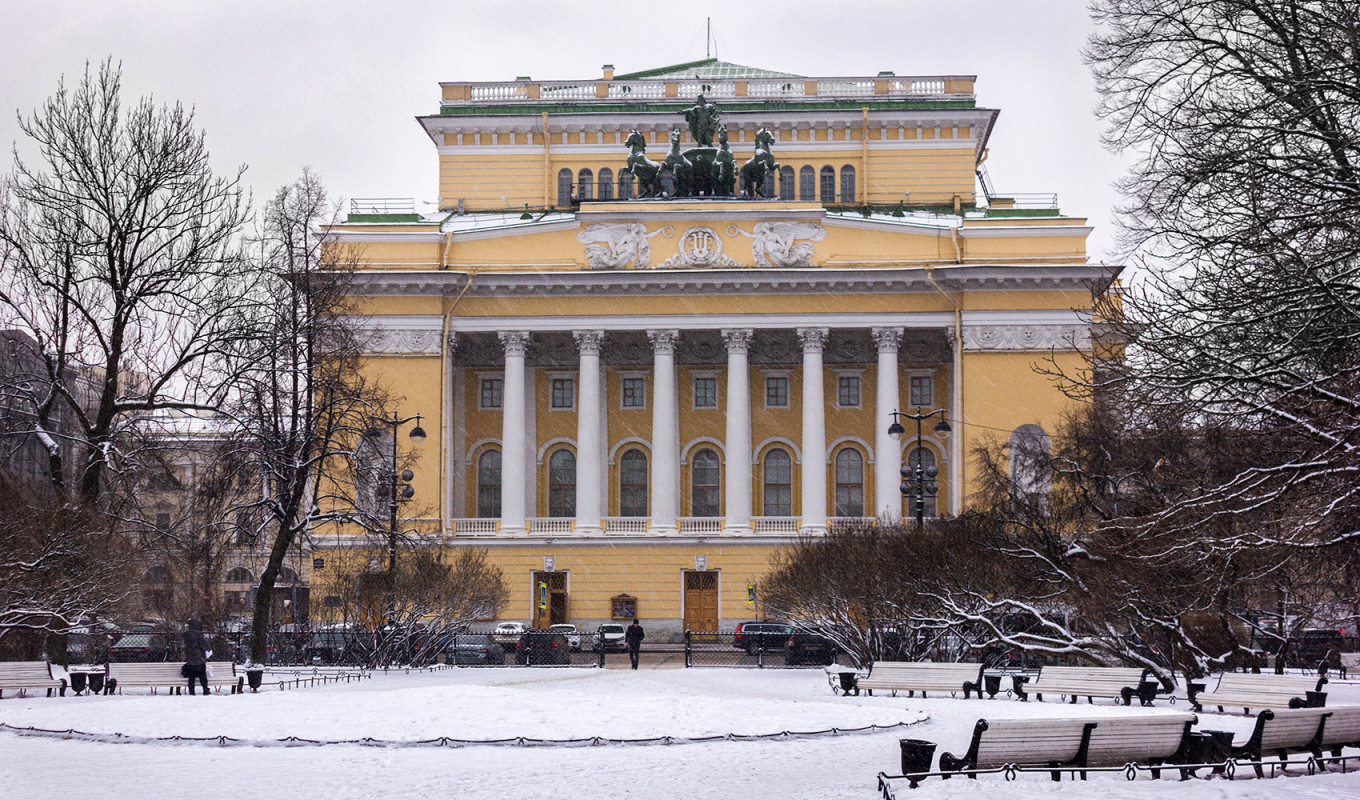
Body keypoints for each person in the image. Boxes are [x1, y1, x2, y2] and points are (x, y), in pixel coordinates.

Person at [182, 617, 210, 695]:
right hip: (199, 658)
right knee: (202, 676)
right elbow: (203, 644)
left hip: (190, 658)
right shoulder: (199, 634)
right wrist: (207, 649)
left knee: (191, 677)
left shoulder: (186, 634)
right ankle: (205, 689)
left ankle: (192, 691)